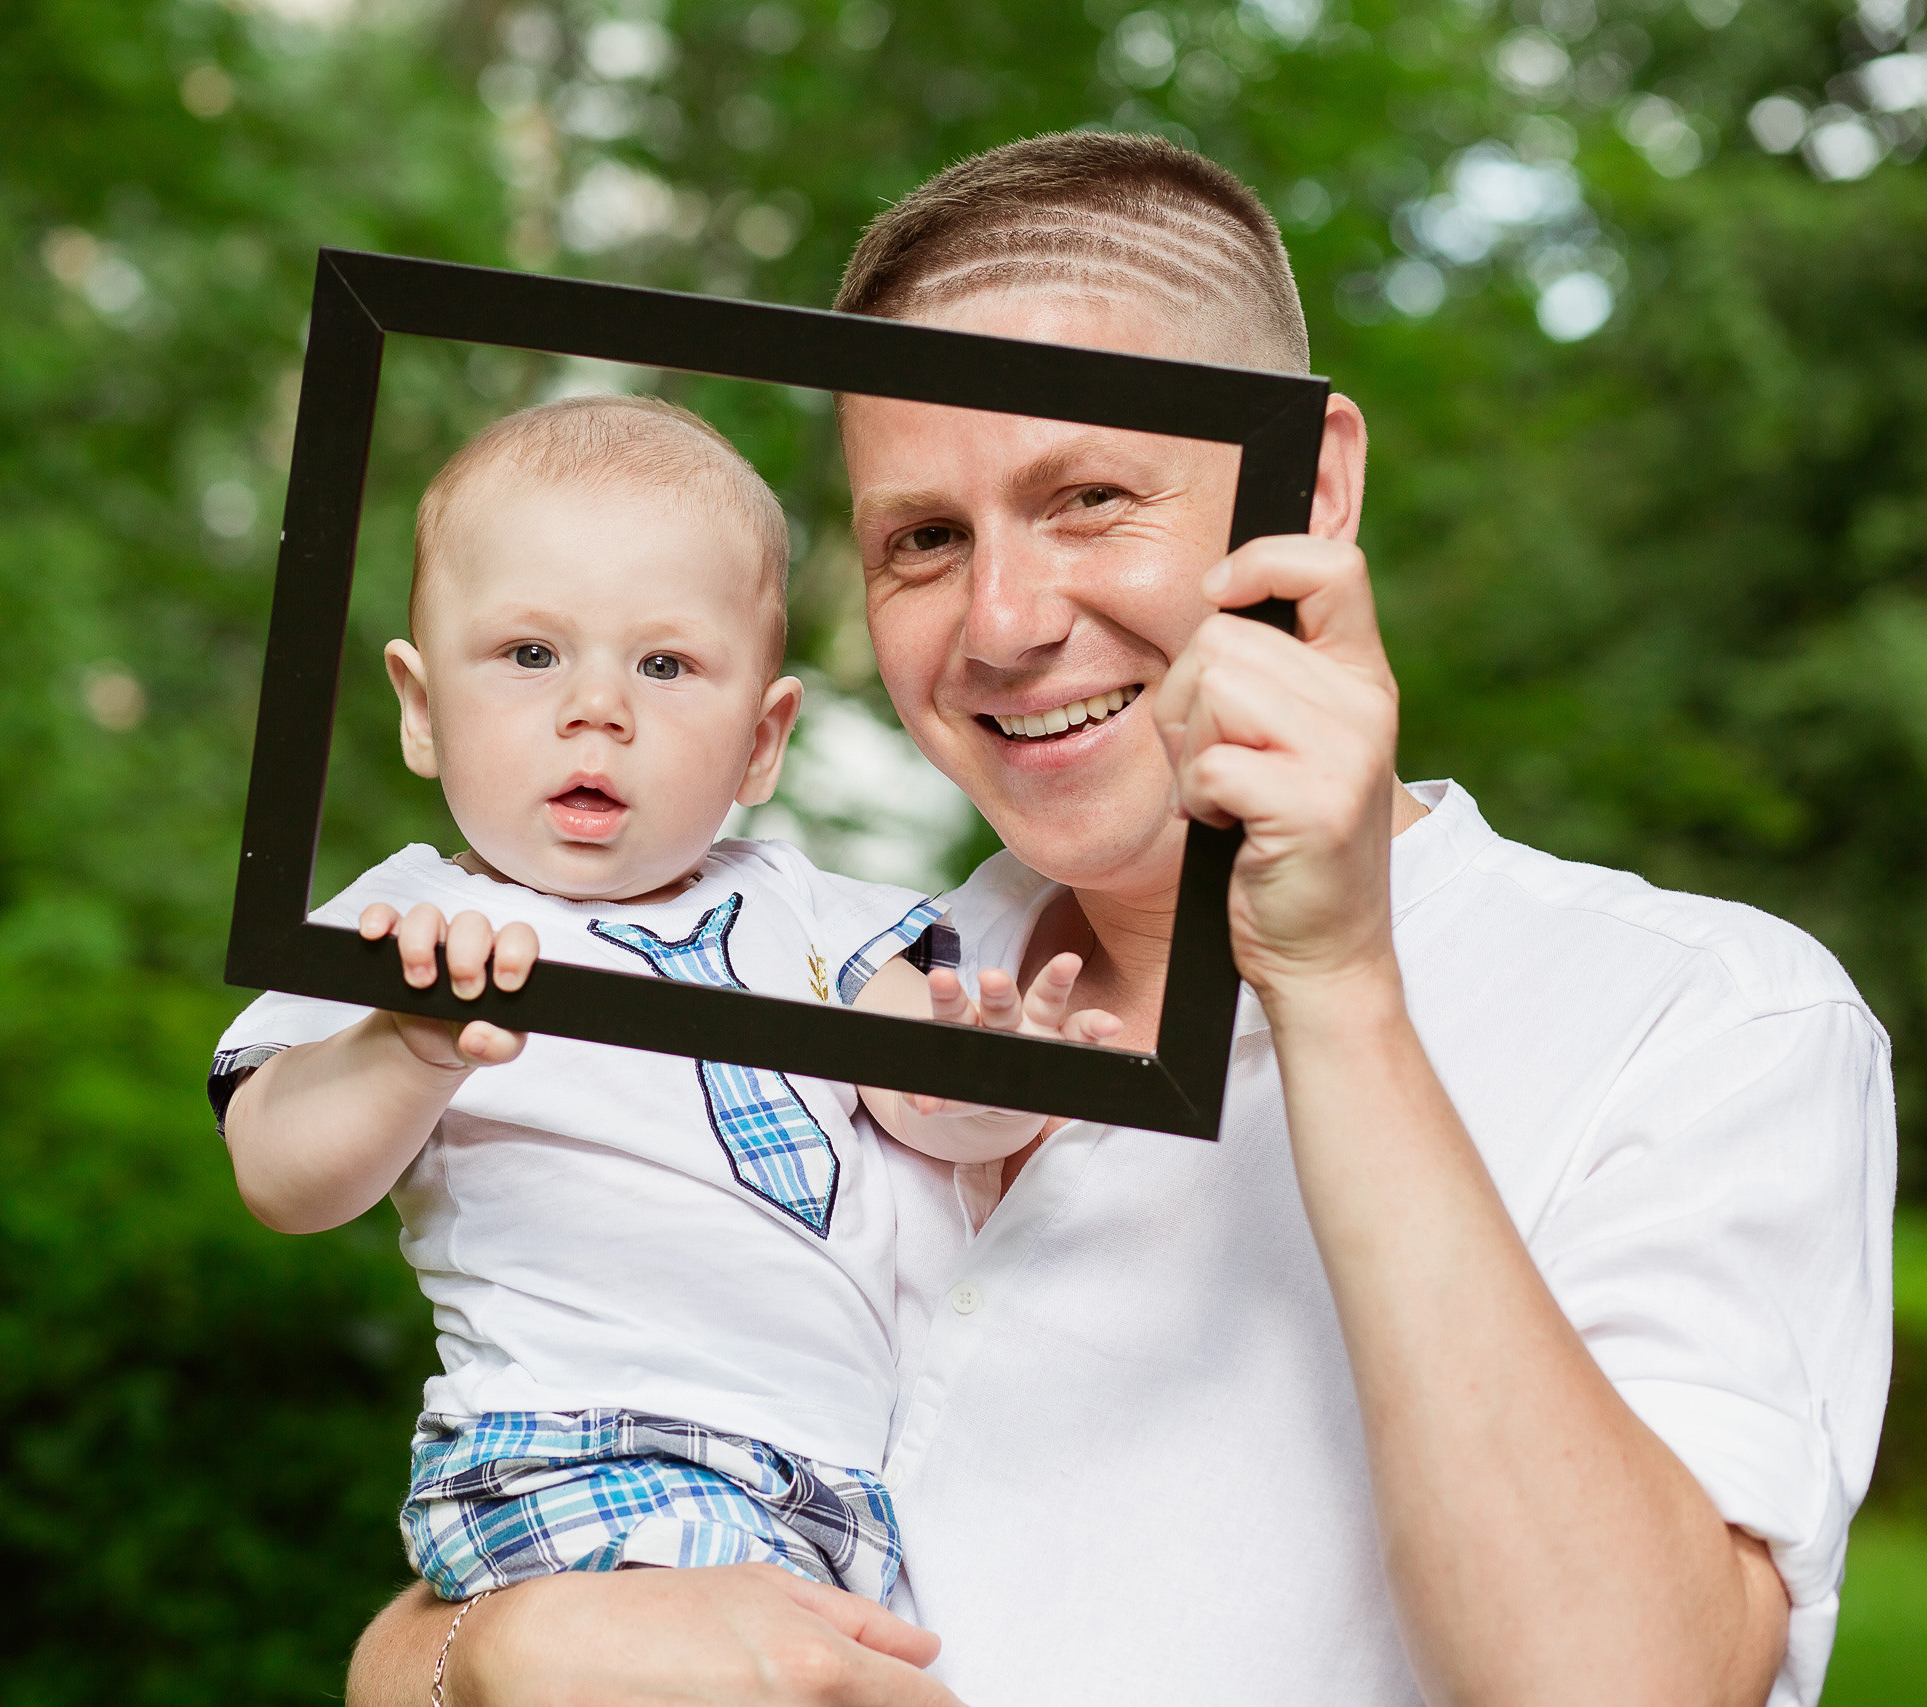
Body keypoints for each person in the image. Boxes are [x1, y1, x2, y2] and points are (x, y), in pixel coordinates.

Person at [345, 134, 1894, 1706]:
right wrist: (501, 1647)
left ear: (1317, 481)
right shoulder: (815, 982)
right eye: (924, 540)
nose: (1005, 624)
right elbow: (455, 1609)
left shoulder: (1705, 1017)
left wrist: (1335, 979)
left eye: (1089, 496)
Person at [210, 395, 1122, 1612]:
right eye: (530, 655)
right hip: (582, 1444)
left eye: (666, 664)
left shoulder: (816, 913)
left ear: (760, 737)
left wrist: (1003, 1073)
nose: (599, 707)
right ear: (422, 710)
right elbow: (280, 1174)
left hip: (833, 1484)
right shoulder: (411, 925)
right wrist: (404, 1044)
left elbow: (924, 1104)